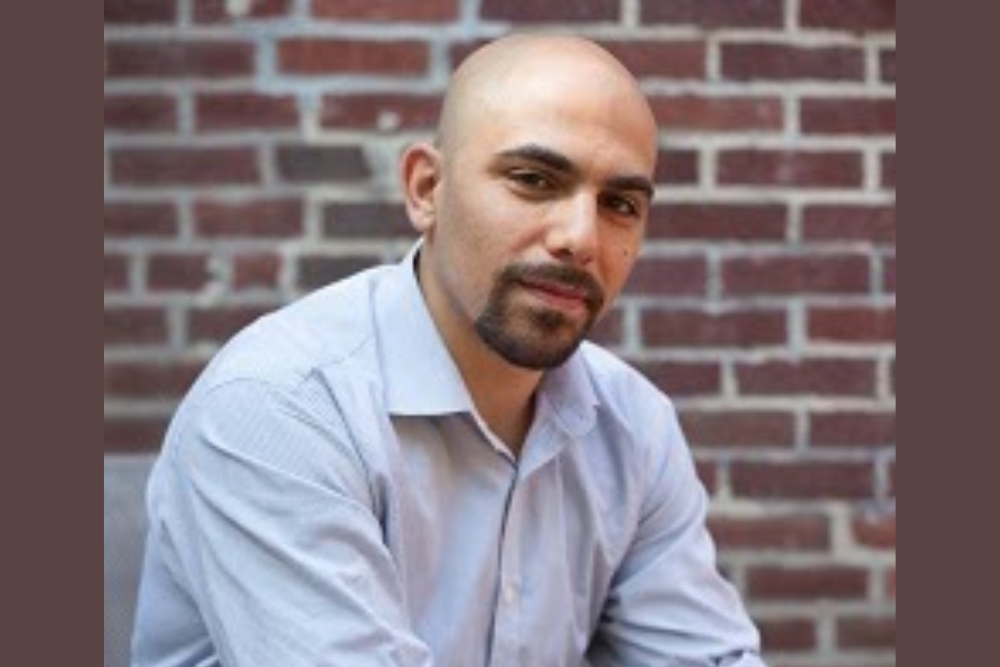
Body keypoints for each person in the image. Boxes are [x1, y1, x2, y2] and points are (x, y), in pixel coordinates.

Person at [131, 34, 768, 667]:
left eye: (620, 204)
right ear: (426, 189)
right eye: (533, 180)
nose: (581, 238)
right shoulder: (281, 406)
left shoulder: (633, 427)